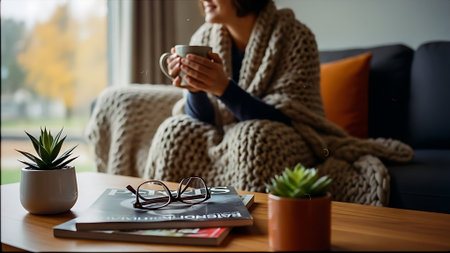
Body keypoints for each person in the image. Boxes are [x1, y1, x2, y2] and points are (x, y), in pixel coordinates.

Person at [88, 0, 413, 206]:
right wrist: (196, 88)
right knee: (176, 130)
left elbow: (289, 118)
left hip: (292, 136)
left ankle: (248, 228)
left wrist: (224, 88)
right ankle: (170, 222)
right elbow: (201, 120)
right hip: (227, 131)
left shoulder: (295, 37)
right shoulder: (204, 37)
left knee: (254, 137)